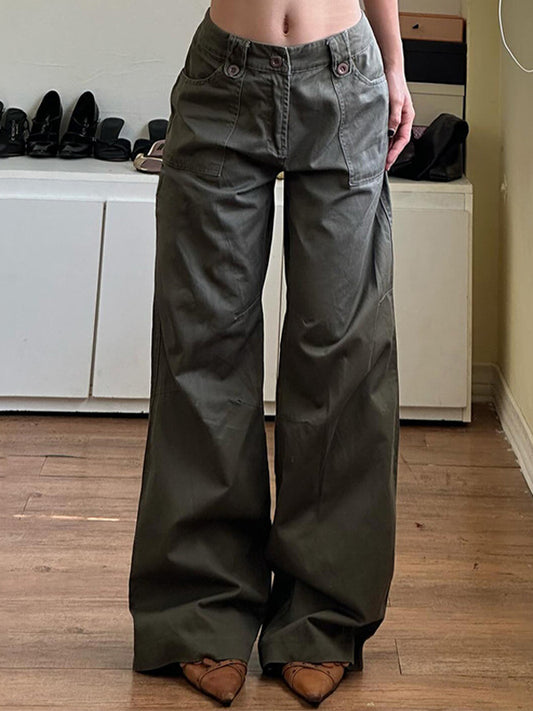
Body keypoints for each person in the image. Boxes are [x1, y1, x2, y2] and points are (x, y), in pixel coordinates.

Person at [128, 0, 414, 705]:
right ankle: (200, 609)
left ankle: (321, 616)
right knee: (203, 345)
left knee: (342, 351)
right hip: (224, 74)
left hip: (345, 73)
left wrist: (395, 62)